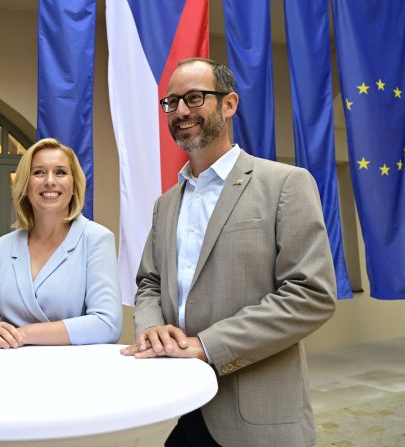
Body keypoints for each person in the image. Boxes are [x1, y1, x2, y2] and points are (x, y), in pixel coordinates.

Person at [121, 58, 336, 447]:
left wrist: (206, 346)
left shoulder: (286, 184)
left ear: (229, 104)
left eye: (194, 98)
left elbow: (311, 295)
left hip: (254, 415)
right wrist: (150, 328)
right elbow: (150, 282)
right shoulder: (165, 203)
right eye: (172, 102)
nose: (181, 111)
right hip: (176, 407)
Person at [0, 138, 122, 348]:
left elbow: (107, 324)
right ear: (25, 185)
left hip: (69, 366)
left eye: (60, 172)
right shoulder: (3, 246)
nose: (50, 181)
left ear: (74, 186)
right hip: (7, 365)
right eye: (39, 172)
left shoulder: (96, 239)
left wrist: (22, 334)